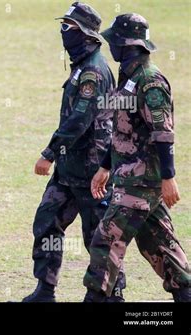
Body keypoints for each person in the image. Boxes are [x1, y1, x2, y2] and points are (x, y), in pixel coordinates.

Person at [83, 13, 190, 302]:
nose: (111, 47)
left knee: (105, 241)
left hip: (142, 183)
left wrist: (169, 178)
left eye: (114, 41)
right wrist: (105, 166)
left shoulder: (149, 81)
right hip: (132, 179)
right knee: (160, 247)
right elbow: (122, 130)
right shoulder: (128, 77)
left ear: (126, 44)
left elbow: (163, 133)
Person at [22, 2, 125, 302]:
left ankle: (113, 296)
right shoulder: (81, 65)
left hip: (92, 172)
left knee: (100, 237)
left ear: (88, 35)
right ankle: (45, 290)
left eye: (69, 27)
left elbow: (79, 119)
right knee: (46, 222)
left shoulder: (93, 70)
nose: (63, 32)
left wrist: (49, 152)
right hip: (69, 171)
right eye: (63, 25)